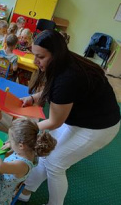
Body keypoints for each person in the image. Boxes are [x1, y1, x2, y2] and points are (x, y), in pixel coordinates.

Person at [18, 30, 121, 205]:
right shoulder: (63, 61)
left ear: (55, 55)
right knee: (46, 153)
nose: (35, 61)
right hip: (82, 116)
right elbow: (55, 90)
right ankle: (25, 191)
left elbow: (54, 122)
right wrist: (34, 97)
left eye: (40, 57)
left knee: (55, 164)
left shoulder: (67, 77)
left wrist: (21, 130)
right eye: (34, 55)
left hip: (98, 127)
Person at [0, 117, 56, 205]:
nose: (9, 140)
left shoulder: (22, 165)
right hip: (2, 189)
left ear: (21, 146)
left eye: (11, 140)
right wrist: (12, 144)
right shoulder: (31, 151)